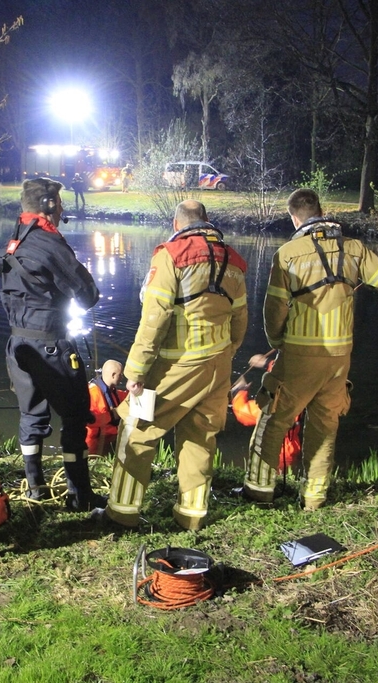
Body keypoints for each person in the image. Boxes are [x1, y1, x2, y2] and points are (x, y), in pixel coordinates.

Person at [243, 188, 378, 511]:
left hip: (300, 355)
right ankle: (314, 498)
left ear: (293, 217)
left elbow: (273, 310)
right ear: (321, 210)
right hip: (339, 359)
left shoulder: (287, 254)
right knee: (325, 426)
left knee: (273, 419)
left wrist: (276, 342)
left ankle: (259, 491)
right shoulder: (353, 249)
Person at [104, 200, 247, 531]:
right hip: (218, 365)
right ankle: (191, 516)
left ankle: (122, 513)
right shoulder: (234, 261)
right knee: (201, 438)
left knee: (136, 431)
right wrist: (228, 353)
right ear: (208, 221)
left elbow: (154, 319)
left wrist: (136, 373)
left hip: (174, 367)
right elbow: (240, 318)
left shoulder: (171, 256)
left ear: (176, 223)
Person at [0, 178, 102, 510]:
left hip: (18, 347)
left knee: (31, 415)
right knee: (74, 415)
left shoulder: (14, 241)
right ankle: (79, 496)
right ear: (50, 207)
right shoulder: (51, 245)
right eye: (60, 203)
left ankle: (35, 488)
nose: (64, 209)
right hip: (51, 346)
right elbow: (88, 295)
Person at [230, 353, 301, 475]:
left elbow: (244, 413)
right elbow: (283, 371)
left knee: (268, 476)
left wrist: (239, 392)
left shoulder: (276, 403)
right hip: (291, 446)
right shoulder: (297, 387)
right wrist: (267, 362)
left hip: (279, 451)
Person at [86, 360, 128, 456]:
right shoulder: (93, 393)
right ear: (113, 375)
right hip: (93, 445)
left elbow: (124, 397)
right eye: (120, 375)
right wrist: (112, 415)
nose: (122, 378)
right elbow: (89, 420)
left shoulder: (112, 391)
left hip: (107, 439)